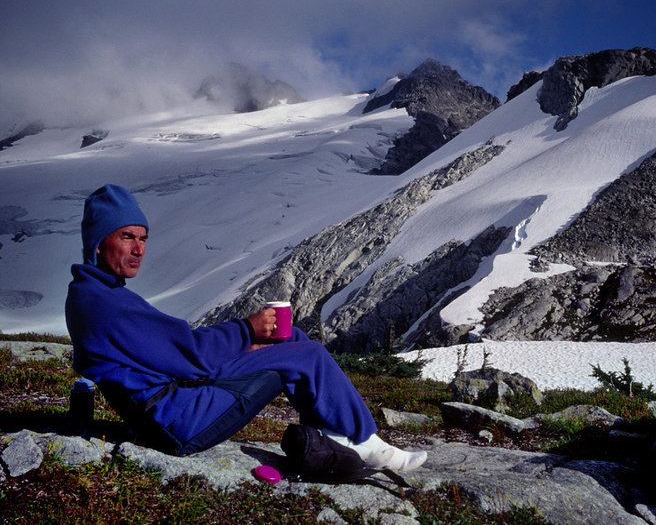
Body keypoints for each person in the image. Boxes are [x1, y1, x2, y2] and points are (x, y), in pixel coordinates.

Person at [65, 184, 426, 472]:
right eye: (127, 236)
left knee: (292, 339)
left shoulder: (98, 294)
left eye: (143, 238)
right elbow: (191, 355)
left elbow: (170, 354)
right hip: (178, 419)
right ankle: (367, 444)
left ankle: (335, 441)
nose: (139, 248)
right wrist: (246, 331)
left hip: (172, 401)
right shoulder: (104, 305)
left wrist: (251, 344)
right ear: (99, 243)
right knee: (307, 353)